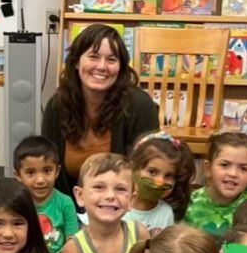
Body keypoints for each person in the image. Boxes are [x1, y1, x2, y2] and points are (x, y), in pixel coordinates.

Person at [42, 23, 160, 198]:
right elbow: (47, 170)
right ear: (75, 62)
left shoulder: (140, 106)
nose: (102, 66)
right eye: (93, 56)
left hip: (123, 208)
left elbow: (149, 173)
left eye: (111, 60)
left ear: (120, 68)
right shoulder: (57, 105)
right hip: (70, 209)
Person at [13, 136, 79, 253]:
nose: (40, 180)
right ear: (18, 175)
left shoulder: (65, 203)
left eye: (47, 171)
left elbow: (72, 245)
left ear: (57, 171)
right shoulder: (15, 203)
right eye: (30, 173)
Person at [184, 132, 247, 236]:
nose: (233, 174)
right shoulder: (187, 204)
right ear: (208, 168)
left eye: (243, 168)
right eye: (224, 165)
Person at [124, 131, 195, 235]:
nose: (160, 182)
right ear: (132, 168)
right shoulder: (116, 206)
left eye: (168, 175)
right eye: (152, 172)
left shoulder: (166, 214)